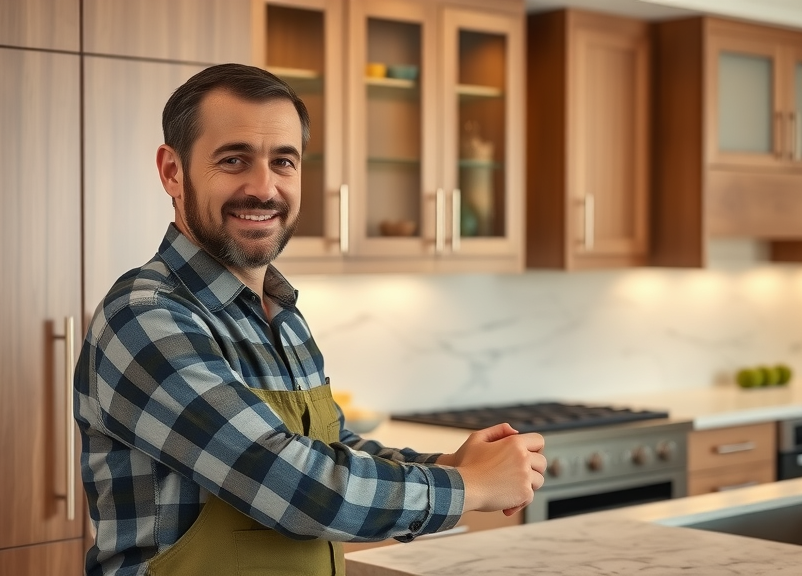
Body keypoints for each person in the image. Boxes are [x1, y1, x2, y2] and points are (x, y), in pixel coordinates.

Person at [74, 63, 546, 576]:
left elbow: (331, 451)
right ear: (172, 171)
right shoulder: (145, 317)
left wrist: (453, 465)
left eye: (283, 162)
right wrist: (471, 486)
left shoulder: (282, 313)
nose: (263, 187)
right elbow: (294, 484)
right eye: (233, 160)